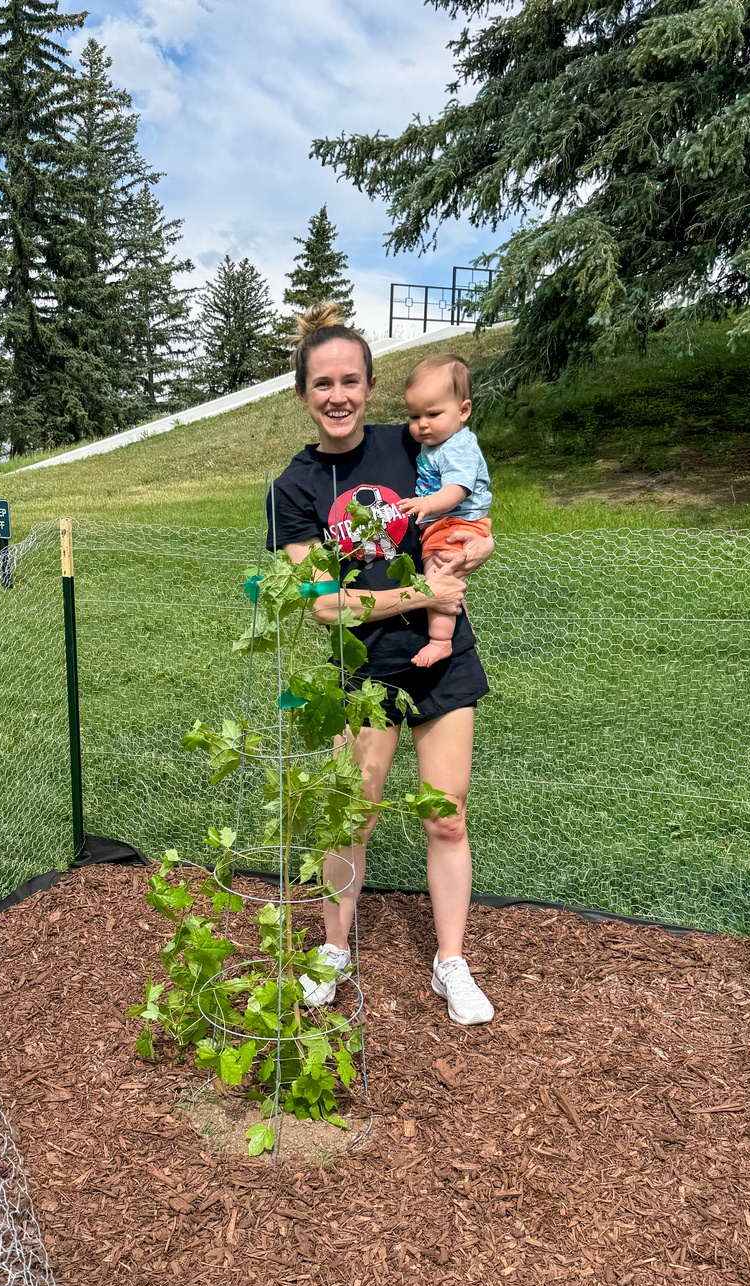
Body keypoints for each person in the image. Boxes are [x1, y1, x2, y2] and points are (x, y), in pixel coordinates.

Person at [264, 302, 495, 1026]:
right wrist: (419, 592)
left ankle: (449, 962)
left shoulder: (412, 442)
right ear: (303, 392)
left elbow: (474, 507)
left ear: (370, 386)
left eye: (352, 380)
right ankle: (334, 951)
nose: (339, 395)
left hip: (442, 661)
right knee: (350, 820)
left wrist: (475, 549)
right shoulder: (294, 491)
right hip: (361, 676)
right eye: (323, 382)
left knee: (447, 818)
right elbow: (326, 606)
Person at [397, 353, 493, 668]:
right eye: (414, 416)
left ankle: (441, 641)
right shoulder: (437, 443)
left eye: (433, 414)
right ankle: (452, 617)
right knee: (440, 576)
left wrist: (426, 503)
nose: (422, 425)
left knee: (436, 580)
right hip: (443, 525)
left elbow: (456, 490)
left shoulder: (459, 448)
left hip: (456, 522)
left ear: (463, 410)